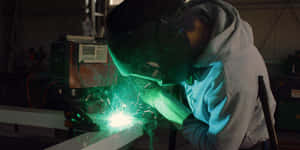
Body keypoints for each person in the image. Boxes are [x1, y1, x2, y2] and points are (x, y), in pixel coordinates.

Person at [106, 0, 276, 150]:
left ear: (166, 43)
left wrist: (160, 100)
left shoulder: (230, 76)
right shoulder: (190, 30)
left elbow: (218, 147)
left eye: (147, 69)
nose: (155, 76)